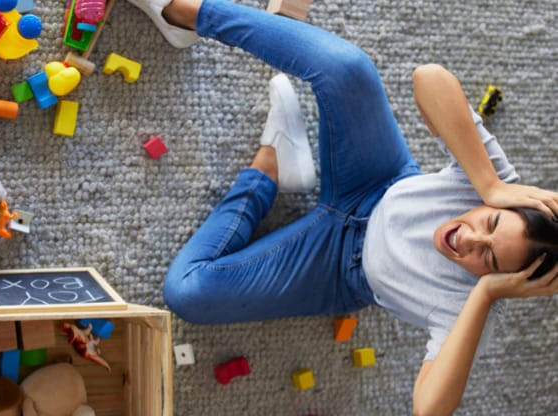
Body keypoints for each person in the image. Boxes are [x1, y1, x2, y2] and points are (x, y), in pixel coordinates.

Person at [127, 0, 558, 413]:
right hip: (378, 178)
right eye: (490, 222)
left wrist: (483, 294)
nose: (470, 237)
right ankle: (182, 11)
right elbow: (429, 78)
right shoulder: (498, 188)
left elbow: (429, 408)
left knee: (186, 292)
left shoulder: (472, 308)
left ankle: (269, 168)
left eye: (488, 256)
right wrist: (490, 185)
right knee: (347, 69)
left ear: (506, 280)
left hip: (339, 270)